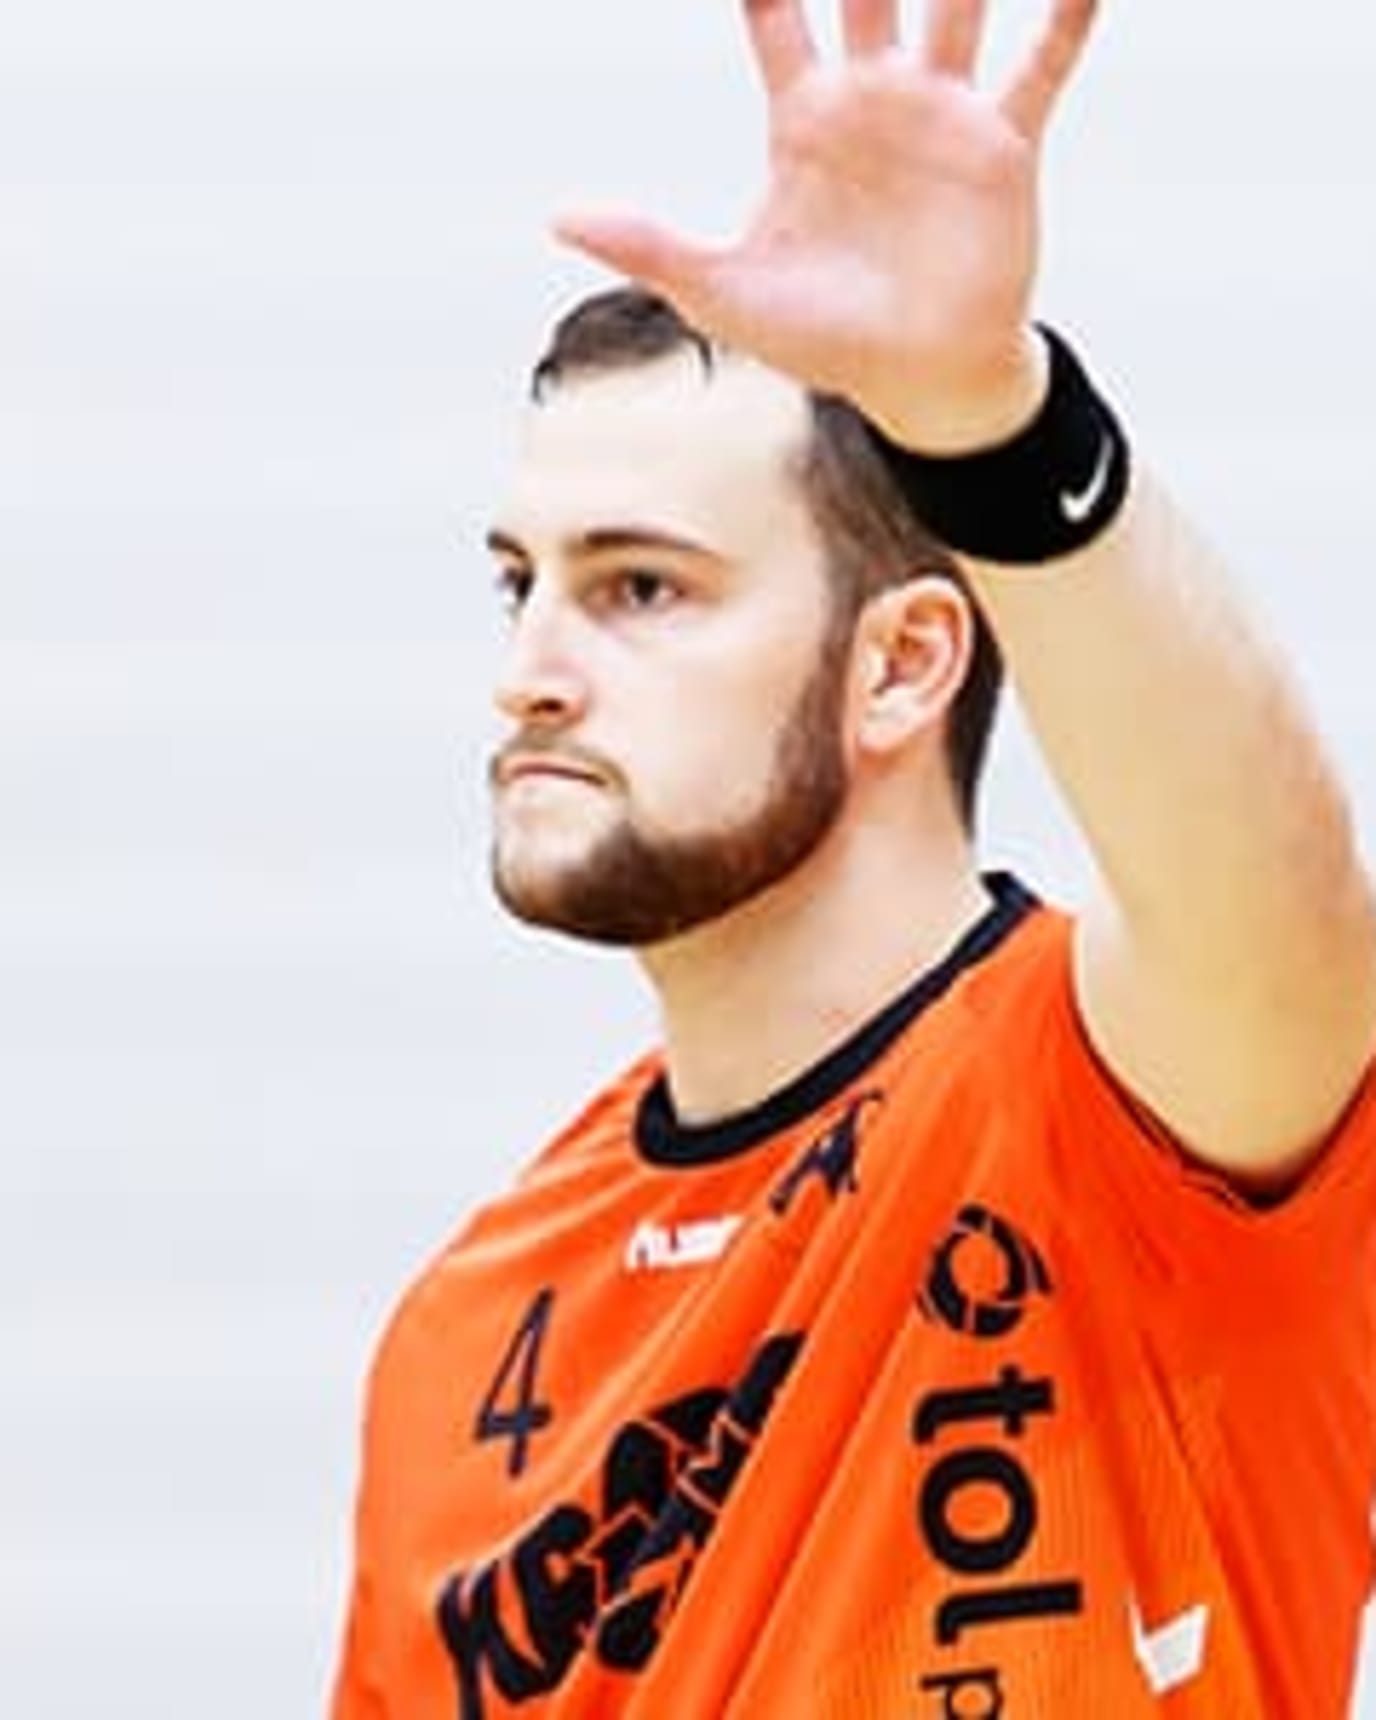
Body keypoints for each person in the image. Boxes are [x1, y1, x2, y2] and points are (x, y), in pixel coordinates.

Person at [330, 1, 1376, 1713]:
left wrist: (989, 420)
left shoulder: (1126, 1106)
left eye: (641, 586)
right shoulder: (465, 1327)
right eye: (523, 581)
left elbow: (1287, 891)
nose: (531, 663)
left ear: (903, 665)